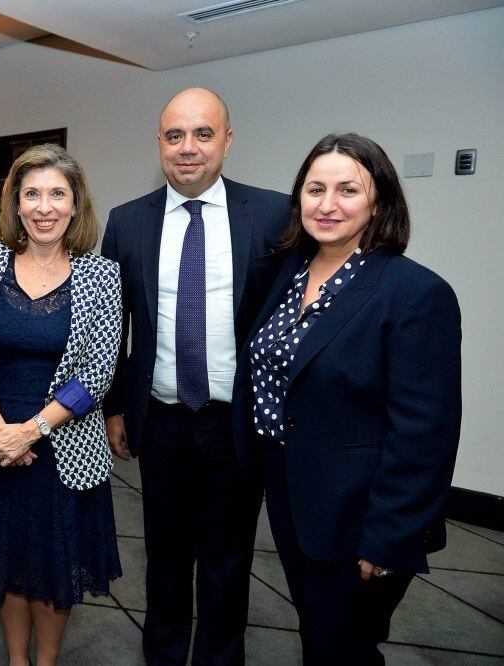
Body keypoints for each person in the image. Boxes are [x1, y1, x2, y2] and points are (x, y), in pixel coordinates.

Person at [234, 133, 462, 664]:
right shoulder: (286, 276)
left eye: (348, 190)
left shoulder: (414, 293)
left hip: (359, 511)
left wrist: (388, 539)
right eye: (315, 189)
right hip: (290, 491)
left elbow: (424, 434)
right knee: (319, 632)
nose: (328, 204)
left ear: (378, 200)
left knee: (346, 646)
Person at [101, 87, 290, 664]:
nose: (189, 148)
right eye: (175, 135)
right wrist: (113, 407)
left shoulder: (275, 215)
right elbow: (113, 328)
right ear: (159, 143)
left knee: (228, 560)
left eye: (203, 134)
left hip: (236, 423)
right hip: (159, 422)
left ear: (227, 142)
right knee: (163, 554)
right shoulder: (126, 222)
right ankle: (161, 655)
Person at [0, 143, 123, 666]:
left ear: (75, 206)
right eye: (32, 194)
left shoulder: (102, 275)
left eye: (57, 194)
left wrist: (31, 431)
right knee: (5, 559)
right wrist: (1, 430)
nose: (44, 206)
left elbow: (97, 372)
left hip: (64, 443)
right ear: (16, 203)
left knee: (53, 565)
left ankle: (45, 662)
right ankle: (16, 661)